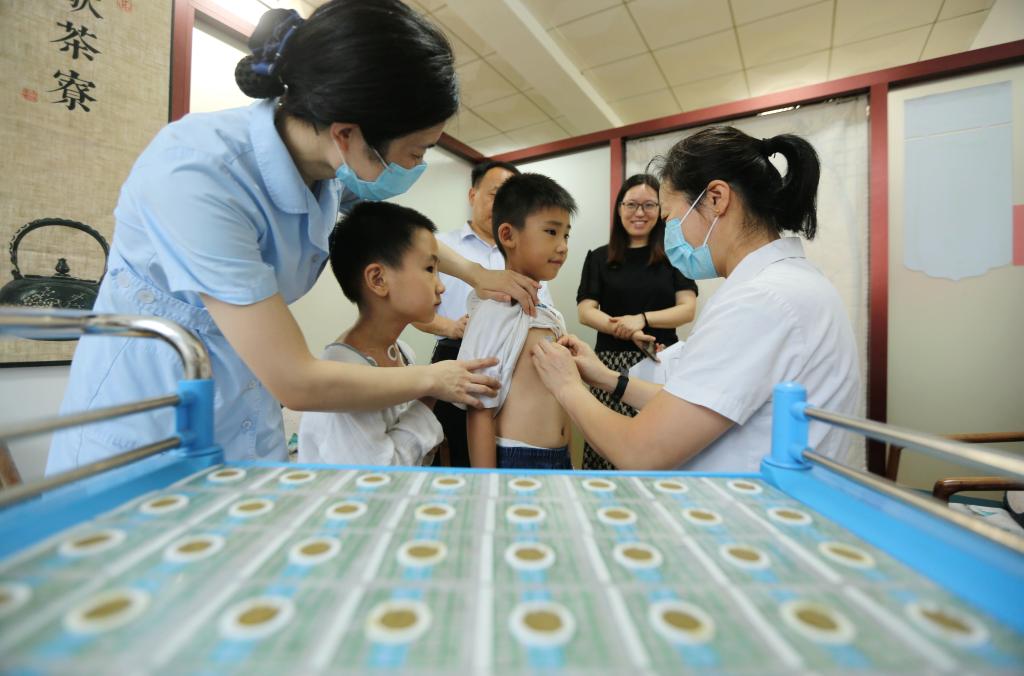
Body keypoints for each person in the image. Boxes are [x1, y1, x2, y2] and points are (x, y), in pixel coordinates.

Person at [46, 1, 540, 474]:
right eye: (415, 152)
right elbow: (295, 381)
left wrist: (476, 272)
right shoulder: (197, 172)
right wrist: (439, 379)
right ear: (347, 135)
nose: (417, 167)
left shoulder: (325, 168)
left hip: (238, 414)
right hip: (146, 429)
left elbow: (399, 234)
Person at [531, 126, 861, 472]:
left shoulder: (763, 300)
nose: (668, 231)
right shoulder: (786, 285)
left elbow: (640, 451)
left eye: (670, 217)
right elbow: (696, 399)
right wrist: (606, 378)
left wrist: (566, 387)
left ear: (717, 198)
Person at [413, 160, 555, 467]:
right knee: (461, 458)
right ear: (472, 195)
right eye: (495, 194)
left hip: (517, 373)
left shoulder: (533, 260)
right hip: (457, 360)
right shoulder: (441, 247)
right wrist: (450, 327)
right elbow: (411, 308)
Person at [298, 202, 443, 466]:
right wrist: (431, 393)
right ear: (378, 279)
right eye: (430, 270)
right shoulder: (342, 372)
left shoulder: (403, 351)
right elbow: (374, 479)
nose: (441, 286)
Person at [576, 173, 698, 471]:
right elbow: (586, 310)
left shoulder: (675, 255)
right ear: (619, 209)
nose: (639, 213)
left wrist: (640, 320)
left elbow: (687, 309)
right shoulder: (599, 257)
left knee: (658, 449)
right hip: (607, 365)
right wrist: (624, 329)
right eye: (631, 205)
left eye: (649, 205)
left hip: (660, 362)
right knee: (607, 450)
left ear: (660, 210)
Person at [458, 174, 577, 469]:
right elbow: (479, 409)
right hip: (518, 459)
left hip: (559, 457)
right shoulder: (491, 313)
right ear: (509, 235)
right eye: (551, 232)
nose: (562, 246)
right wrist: (486, 485)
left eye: (566, 235)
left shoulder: (550, 313)